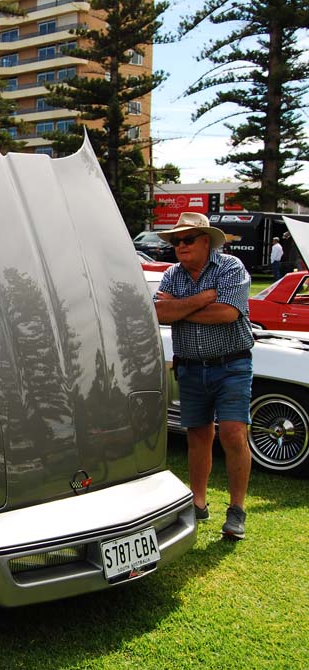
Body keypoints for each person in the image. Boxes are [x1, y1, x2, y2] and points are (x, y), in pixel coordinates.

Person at [154, 212, 253, 541]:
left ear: (206, 241)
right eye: (176, 241)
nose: (180, 246)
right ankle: (198, 503)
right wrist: (202, 299)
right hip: (191, 367)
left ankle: (236, 510)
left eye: (187, 239)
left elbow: (227, 313)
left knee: (233, 433)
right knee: (197, 435)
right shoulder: (172, 274)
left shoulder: (230, 268)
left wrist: (180, 308)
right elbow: (159, 312)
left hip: (231, 365)